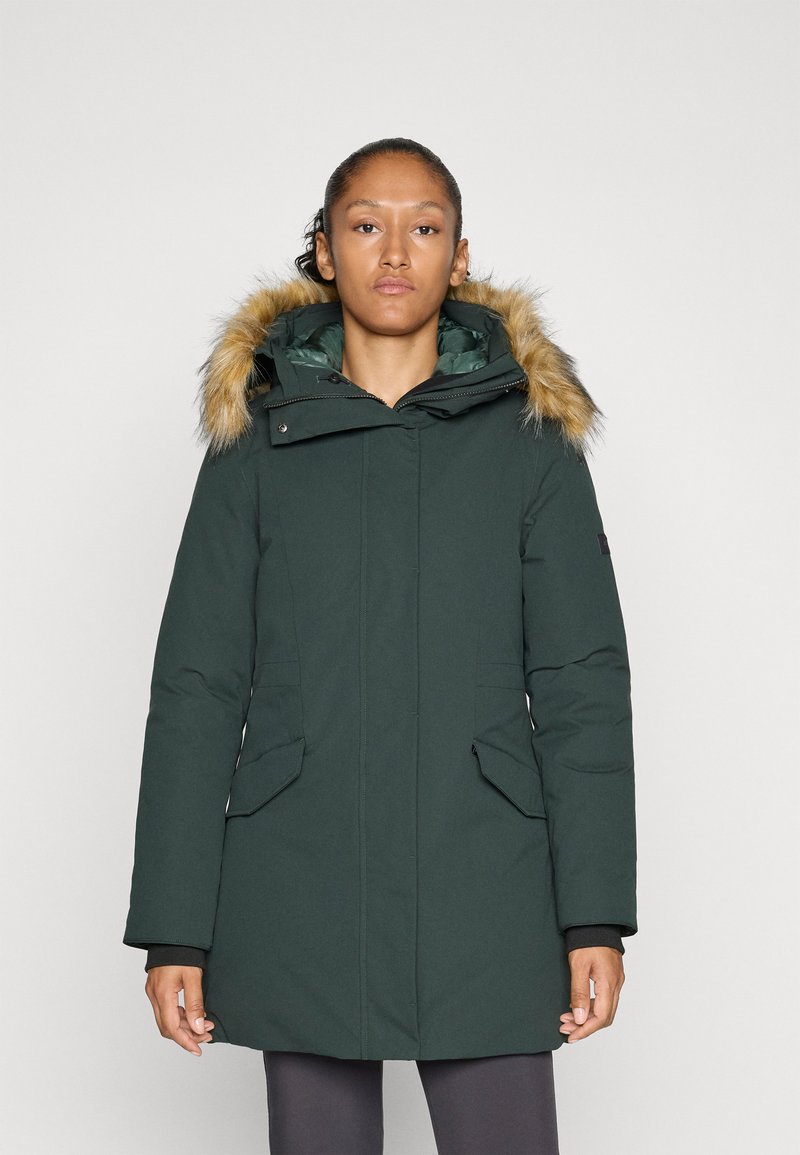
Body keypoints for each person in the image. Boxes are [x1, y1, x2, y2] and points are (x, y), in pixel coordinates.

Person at [123, 136, 637, 1155]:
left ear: (458, 255)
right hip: (300, 874)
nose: (394, 251)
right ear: (325, 249)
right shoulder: (256, 443)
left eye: (424, 227)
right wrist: (174, 927)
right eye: (366, 225)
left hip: (485, 877)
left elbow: (580, 685)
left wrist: (593, 918)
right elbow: (197, 684)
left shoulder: (530, 443)